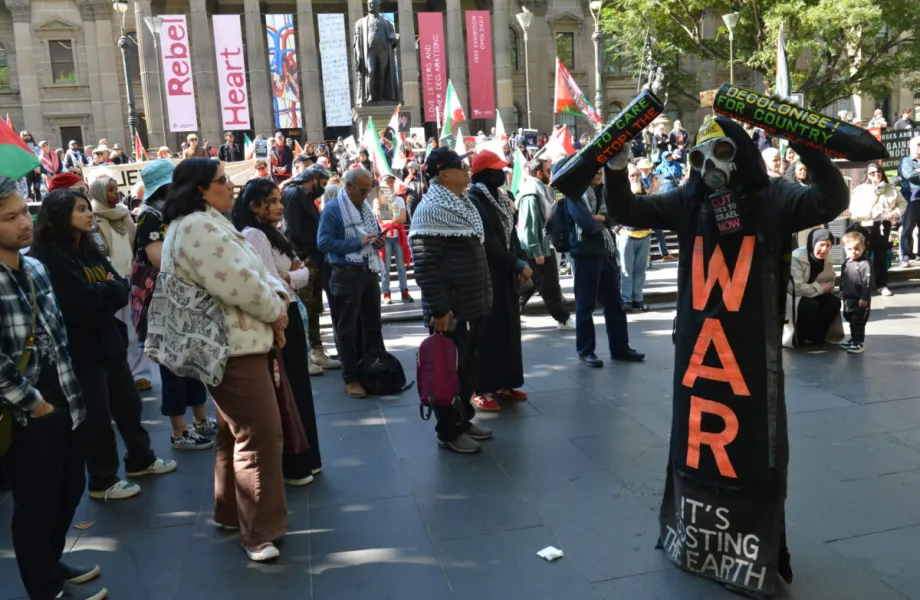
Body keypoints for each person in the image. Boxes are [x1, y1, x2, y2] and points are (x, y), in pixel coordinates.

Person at [604, 116, 850, 594]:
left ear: (741, 154)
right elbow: (628, 211)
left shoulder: (774, 197)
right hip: (704, 354)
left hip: (747, 356)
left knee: (753, 442)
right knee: (701, 439)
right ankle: (700, 540)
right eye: (698, 158)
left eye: (719, 153)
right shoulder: (688, 200)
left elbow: (831, 200)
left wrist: (810, 150)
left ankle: (750, 547)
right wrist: (615, 168)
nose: (707, 167)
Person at [160, 157, 290, 561]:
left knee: (234, 432)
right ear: (201, 188)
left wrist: (275, 299)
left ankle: (231, 512)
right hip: (233, 345)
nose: (230, 185)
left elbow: (251, 271)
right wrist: (276, 308)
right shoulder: (198, 226)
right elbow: (241, 283)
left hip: (235, 341)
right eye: (222, 180)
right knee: (259, 432)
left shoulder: (204, 221)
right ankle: (258, 532)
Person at [0, 177, 110, 600]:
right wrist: (35, 404)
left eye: (22, 213)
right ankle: (44, 587)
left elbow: (57, 338)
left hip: (66, 399)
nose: (23, 224)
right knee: (35, 504)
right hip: (27, 413)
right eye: (8, 218)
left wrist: (68, 400)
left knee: (69, 492)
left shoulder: (35, 267)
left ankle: (51, 559)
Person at [30, 189, 177, 501]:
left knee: (128, 405)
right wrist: (105, 291)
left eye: (87, 208)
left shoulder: (88, 249)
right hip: (82, 350)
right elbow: (78, 302)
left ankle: (141, 460)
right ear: (60, 217)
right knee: (96, 416)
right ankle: (103, 479)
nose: (88, 214)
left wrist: (104, 291)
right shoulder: (51, 258)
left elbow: (121, 287)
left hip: (109, 341)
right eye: (80, 209)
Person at [232, 178, 322, 484]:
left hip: (290, 313)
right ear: (253, 206)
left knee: (297, 389)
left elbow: (303, 272)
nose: (279, 206)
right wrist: (294, 274)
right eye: (271, 200)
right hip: (281, 317)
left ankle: (305, 459)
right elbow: (275, 283)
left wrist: (294, 274)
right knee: (289, 390)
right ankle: (296, 462)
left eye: (278, 199)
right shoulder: (254, 235)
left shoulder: (271, 232)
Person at [409, 148, 493, 453]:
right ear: (444, 174)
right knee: (447, 371)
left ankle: (462, 419)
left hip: (471, 304)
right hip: (452, 310)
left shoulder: (461, 204)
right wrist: (440, 309)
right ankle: (448, 430)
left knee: (467, 370)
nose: (467, 169)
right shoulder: (430, 209)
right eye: (462, 166)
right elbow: (426, 265)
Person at [132, 160, 216, 450]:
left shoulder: (176, 214)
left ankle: (201, 418)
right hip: (164, 302)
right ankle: (179, 431)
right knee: (174, 366)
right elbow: (159, 260)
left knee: (194, 360)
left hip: (185, 297)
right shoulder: (150, 217)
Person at [467, 151, 530, 411]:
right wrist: (516, 263)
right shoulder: (475, 200)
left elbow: (510, 234)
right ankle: (481, 389)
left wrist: (519, 259)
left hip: (505, 273)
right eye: (497, 170)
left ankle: (505, 383)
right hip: (487, 274)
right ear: (484, 173)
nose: (502, 173)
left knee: (508, 329)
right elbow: (490, 242)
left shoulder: (500, 198)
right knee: (487, 333)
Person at [564, 165, 644, 368]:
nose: (599, 173)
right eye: (595, 171)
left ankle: (620, 348)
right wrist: (604, 221)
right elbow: (587, 225)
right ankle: (586, 351)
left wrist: (602, 219)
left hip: (606, 254)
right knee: (585, 306)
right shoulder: (575, 195)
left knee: (615, 304)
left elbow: (615, 217)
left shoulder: (604, 192)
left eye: (600, 171)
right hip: (585, 255)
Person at [317, 167, 386, 398]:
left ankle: (376, 371)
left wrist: (376, 242)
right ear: (349, 187)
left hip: (368, 270)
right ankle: (351, 378)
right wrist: (357, 243)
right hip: (345, 273)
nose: (367, 195)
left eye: (369, 190)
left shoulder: (365, 207)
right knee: (347, 330)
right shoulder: (333, 209)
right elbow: (323, 242)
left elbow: (372, 235)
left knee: (373, 325)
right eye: (363, 190)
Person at [87, 176, 155, 391]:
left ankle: (139, 374)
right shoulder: (92, 216)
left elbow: (136, 243)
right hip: (109, 280)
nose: (116, 193)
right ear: (99, 193)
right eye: (110, 190)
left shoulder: (124, 213)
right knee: (115, 328)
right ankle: (119, 376)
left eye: (116, 189)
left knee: (134, 328)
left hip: (132, 277)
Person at [282, 164, 341, 375]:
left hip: (313, 259)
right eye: (323, 183)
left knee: (314, 308)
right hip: (305, 260)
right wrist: (301, 257)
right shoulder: (294, 193)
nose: (323, 188)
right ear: (314, 178)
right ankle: (305, 355)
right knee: (305, 309)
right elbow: (290, 228)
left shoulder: (304, 195)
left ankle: (317, 352)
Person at [515, 157, 573, 328]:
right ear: (539, 173)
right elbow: (528, 225)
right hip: (537, 249)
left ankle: (511, 317)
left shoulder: (540, 190)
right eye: (548, 170)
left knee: (530, 286)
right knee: (547, 286)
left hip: (542, 247)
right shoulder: (531, 193)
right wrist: (536, 251)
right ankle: (563, 319)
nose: (551, 174)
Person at [783, 228, 844, 347]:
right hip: (794, 296)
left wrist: (826, 287)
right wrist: (821, 288)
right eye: (821, 244)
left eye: (828, 245)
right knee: (809, 305)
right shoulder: (797, 257)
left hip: (814, 293)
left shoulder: (828, 259)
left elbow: (830, 281)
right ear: (813, 243)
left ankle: (817, 337)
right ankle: (797, 337)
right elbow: (795, 288)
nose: (824, 249)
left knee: (834, 302)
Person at [849, 164, 905, 295]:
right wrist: (871, 212)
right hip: (865, 225)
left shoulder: (890, 188)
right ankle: (862, 285)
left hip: (883, 225)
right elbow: (853, 210)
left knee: (881, 255)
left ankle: (882, 285)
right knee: (864, 255)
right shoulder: (861, 189)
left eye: (879, 171)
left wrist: (894, 213)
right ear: (867, 175)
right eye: (872, 172)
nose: (876, 174)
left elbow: (902, 203)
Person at [616, 163, 653, 311]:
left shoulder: (645, 192)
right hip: (627, 235)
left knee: (640, 271)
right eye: (632, 175)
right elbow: (612, 212)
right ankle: (626, 300)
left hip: (644, 235)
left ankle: (638, 299)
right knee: (626, 270)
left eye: (637, 175)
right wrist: (617, 228)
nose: (635, 177)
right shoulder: (620, 193)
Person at [375, 172, 413, 304]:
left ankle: (404, 291)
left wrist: (390, 222)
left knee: (401, 266)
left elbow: (402, 218)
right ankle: (386, 293)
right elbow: (380, 220)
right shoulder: (379, 200)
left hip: (398, 236)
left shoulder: (399, 199)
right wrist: (389, 219)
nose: (390, 184)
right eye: (387, 182)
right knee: (385, 266)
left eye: (392, 182)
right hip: (386, 237)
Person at [839, 231, 872, 354]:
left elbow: (867, 282)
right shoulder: (846, 263)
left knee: (858, 321)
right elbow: (843, 278)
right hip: (848, 298)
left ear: (863, 248)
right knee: (850, 318)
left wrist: (864, 297)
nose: (853, 252)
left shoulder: (864, 264)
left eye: (857, 249)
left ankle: (859, 342)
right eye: (849, 249)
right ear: (845, 249)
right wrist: (842, 290)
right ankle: (853, 339)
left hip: (860, 299)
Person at [898, 136, 920, 267]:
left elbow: (915, 175)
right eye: (918, 144)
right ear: (910, 146)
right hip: (910, 198)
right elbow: (909, 175)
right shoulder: (906, 160)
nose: (919, 147)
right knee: (908, 228)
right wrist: (915, 172)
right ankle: (906, 256)